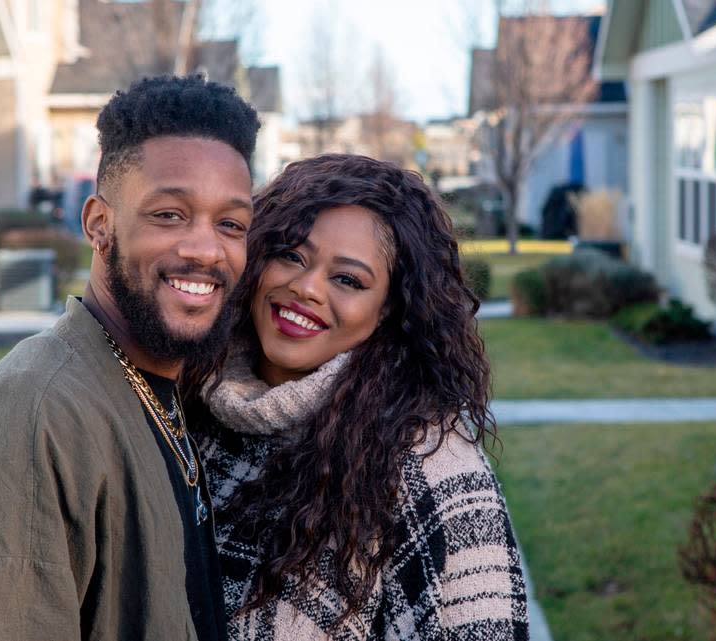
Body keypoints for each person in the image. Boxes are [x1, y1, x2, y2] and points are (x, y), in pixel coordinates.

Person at [0, 74, 260, 641]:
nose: (204, 249)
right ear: (99, 224)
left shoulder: (160, 393)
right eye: (169, 214)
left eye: (231, 224)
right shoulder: (34, 417)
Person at [191, 154, 530, 640]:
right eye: (291, 254)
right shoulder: (191, 406)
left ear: (390, 309)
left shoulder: (425, 461)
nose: (305, 288)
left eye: (347, 280)